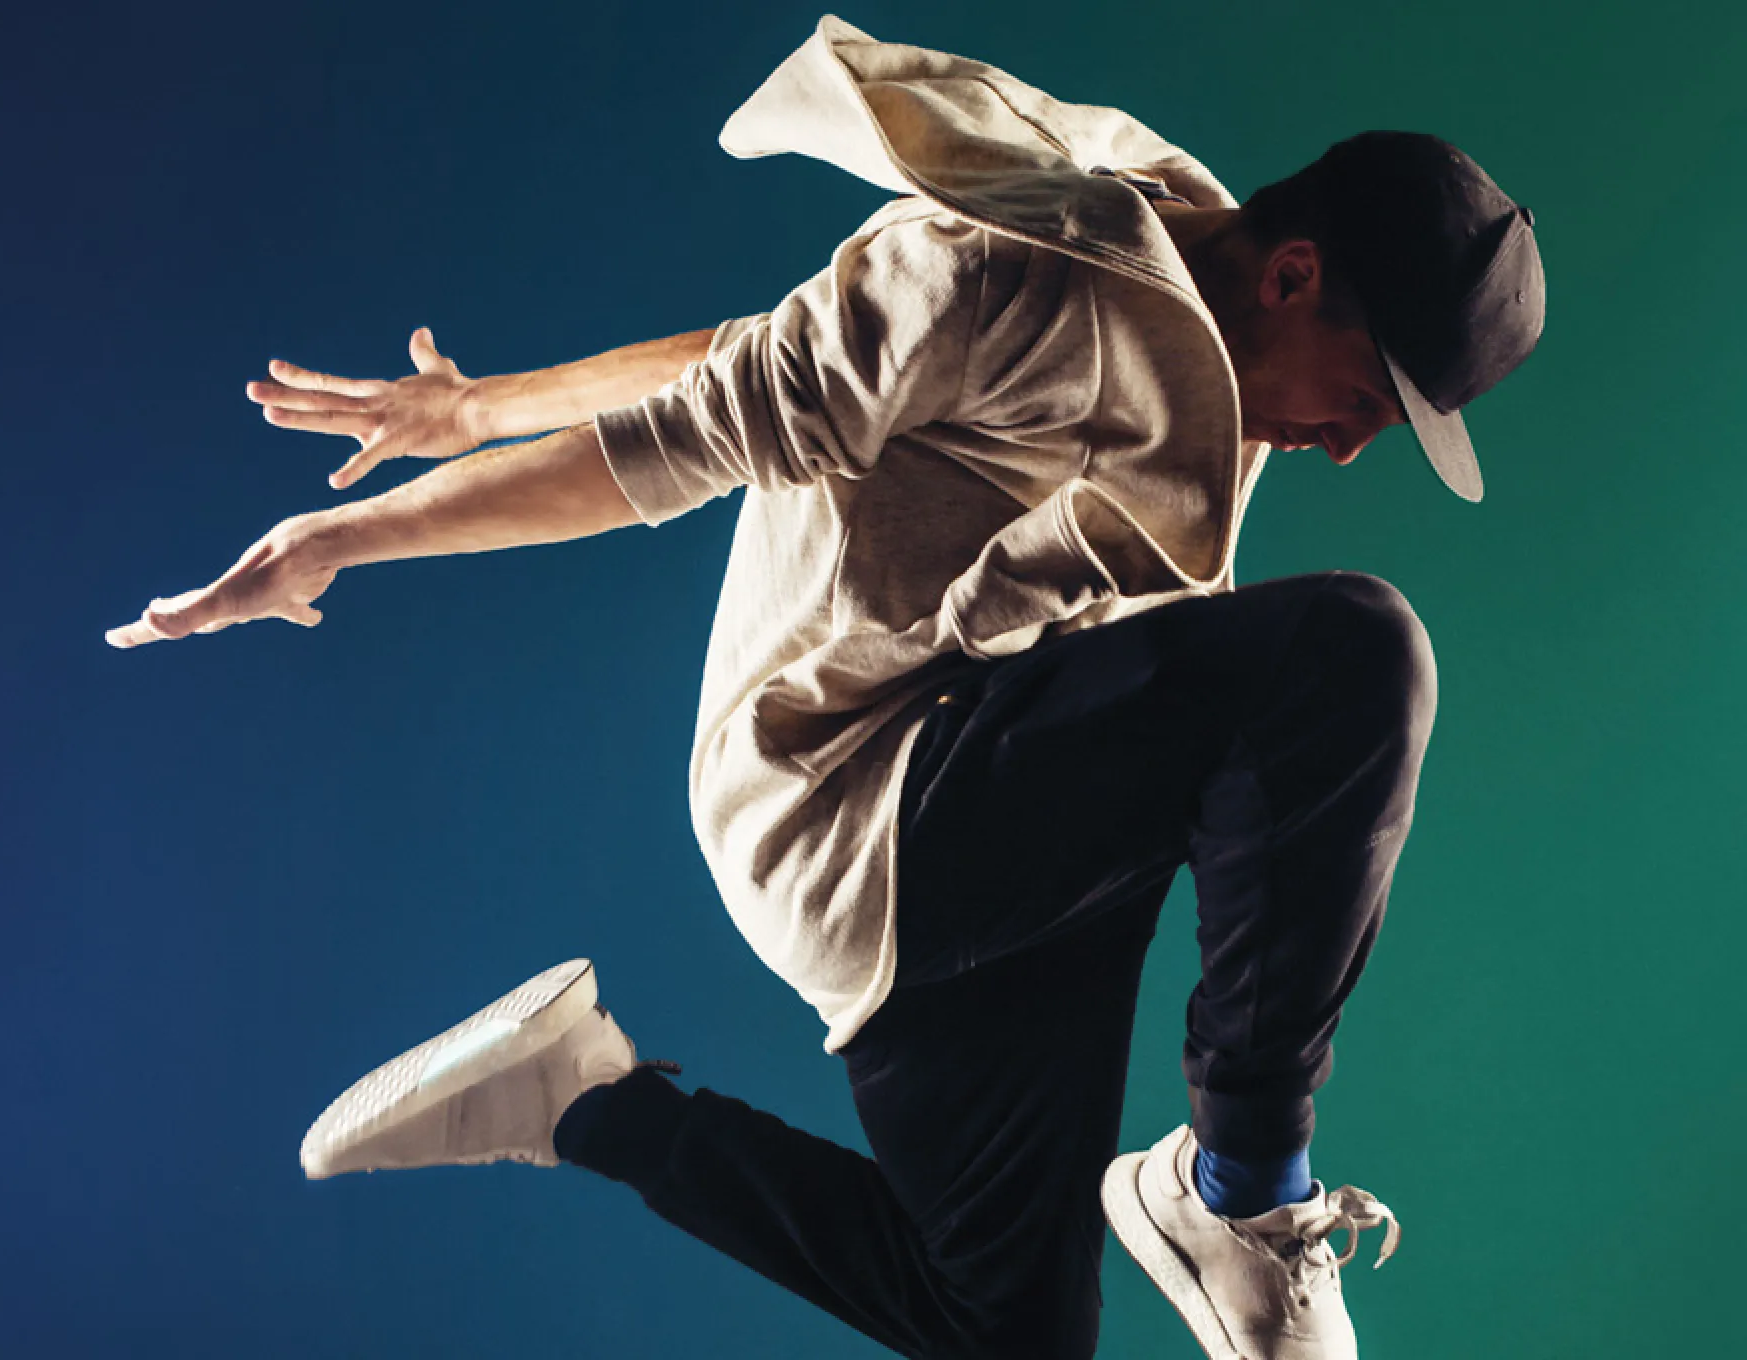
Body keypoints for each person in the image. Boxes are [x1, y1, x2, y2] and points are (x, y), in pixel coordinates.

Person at [106, 18, 1543, 1360]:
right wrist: (335, 541)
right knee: (1355, 652)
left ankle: (585, 1102)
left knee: (1003, 1328)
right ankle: (1242, 1183)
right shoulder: (1015, 272)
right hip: (871, 787)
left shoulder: (1194, 268)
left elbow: (755, 352)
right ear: (1294, 273)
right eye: (1368, 397)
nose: (1350, 448)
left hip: (1020, 816)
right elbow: (686, 442)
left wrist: (478, 402)